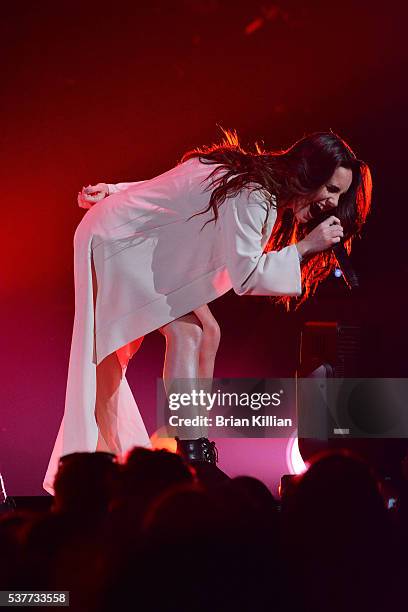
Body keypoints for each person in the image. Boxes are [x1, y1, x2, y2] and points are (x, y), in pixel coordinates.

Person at [43, 129, 372, 494]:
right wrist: (305, 247)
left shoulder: (248, 174)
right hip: (118, 240)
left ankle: (181, 449)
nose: (332, 201)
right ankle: (191, 454)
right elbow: (246, 277)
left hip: (144, 243)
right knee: (174, 337)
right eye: (330, 188)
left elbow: (175, 187)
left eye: (339, 194)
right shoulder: (254, 195)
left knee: (205, 332)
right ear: (308, 172)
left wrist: (117, 190)